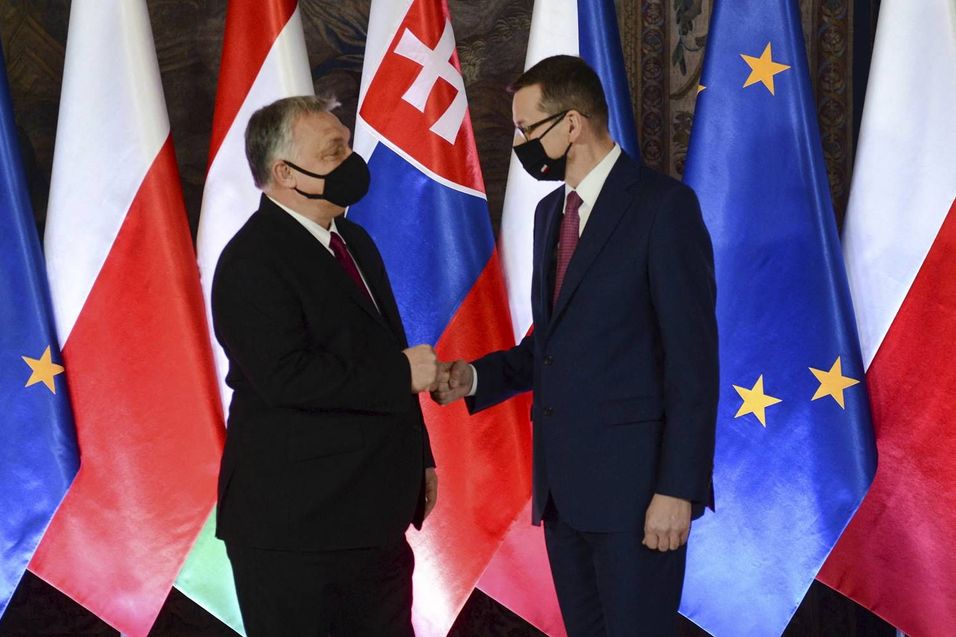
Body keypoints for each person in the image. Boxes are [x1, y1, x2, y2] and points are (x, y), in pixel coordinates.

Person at [434, 55, 719, 636]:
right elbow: (555, 345)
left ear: (571, 125)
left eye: (526, 129)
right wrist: (476, 377)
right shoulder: (549, 214)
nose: (519, 144)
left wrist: (677, 489)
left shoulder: (663, 208)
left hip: (639, 499)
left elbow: (694, 364)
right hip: (564, 498)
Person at [211, 95, 443, 637]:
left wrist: (421, 458)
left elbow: (389, 351)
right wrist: (399, 375)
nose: (351, 162)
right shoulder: (251, 260)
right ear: (284, 173)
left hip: (372, 521)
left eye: (346, 146)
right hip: (297, 531)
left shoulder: (354, 241)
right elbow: (286, 376)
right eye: (334, 151)